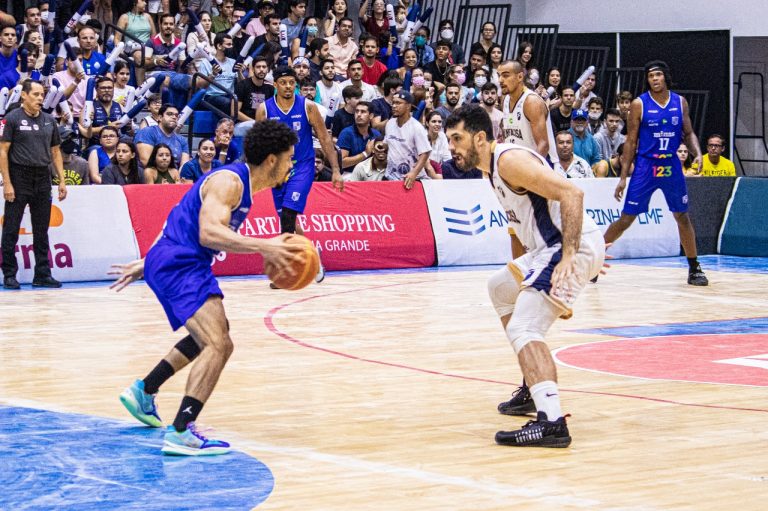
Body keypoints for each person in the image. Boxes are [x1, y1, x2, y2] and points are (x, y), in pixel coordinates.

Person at [112, 120, 305, 456]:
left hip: (176, 260)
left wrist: (148, 261)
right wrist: (265, 246)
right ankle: (181, 430)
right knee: (218, 344)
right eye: (289, 158)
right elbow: (209, 233)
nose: (292, 165)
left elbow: (180, 218)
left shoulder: (240, 184)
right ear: (272, 160)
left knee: (213, 334)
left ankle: (145, 390)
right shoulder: (230, 182)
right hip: (181, 264)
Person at [444, 104, 605, 447]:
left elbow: (572, 193)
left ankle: (552, 422)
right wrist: (541, 279)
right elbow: (528, 225)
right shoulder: (490, 170)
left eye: (457, 139)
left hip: (563, 247)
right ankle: (534, 384)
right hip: (550, 249)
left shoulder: (508, 161)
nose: (451, 147)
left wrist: (573, 256)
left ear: (480, 137)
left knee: (524, 327)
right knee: (500, 288)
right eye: (449, 140)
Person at [604, 61, 708, 286]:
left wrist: (698, 153)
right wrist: (623, 178)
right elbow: (630, 142)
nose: (654, 79)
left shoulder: (680, 102)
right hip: (646, 165)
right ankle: (593, 259)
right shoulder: (639, 104)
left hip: (671, 165)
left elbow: (688, 132)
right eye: (650, 76)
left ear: (665, 77)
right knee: (627, 218)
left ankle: (694, 267)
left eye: (658, 75)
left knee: (682, 216)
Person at [256, 67, 343, 284]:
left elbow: (324, 138)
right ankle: (313, 258)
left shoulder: (308, 106)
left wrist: (335, 170)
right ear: (275, 85)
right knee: (289, 221)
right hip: (277, 171)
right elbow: (259, 144)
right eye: (283, 82)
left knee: (288, 215)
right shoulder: (264, 110)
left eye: (291, 82)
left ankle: (284, 271)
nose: (288, 86)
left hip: (302, 167)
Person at [1, 79, 67, 290]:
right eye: (36, 94)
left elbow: (55, 152)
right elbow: (2, 151)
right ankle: (9, 274)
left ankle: (42, 274)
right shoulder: (12, 118)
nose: (40, 98)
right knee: (11, 228)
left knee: (41, 229)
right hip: (19, 176)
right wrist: (7, 183)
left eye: (42, 95)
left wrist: (62, 180)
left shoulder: (49, 120)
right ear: (24, 95)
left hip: (42, 177)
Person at [499, 60, 556, 163]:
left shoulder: (531, 101)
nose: (500, 80)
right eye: (499, 75)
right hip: (517, 164)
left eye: (505, 76)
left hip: (542, 166)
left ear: (520, 77)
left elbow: (543, 145)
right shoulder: (505, 100)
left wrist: (526, 169)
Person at [384, 90, 435, 187]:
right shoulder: (390, 123)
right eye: (393, 103)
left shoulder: (416, 127)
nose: (394, 106)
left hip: (411, 178)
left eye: (398, 103)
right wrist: (380, 146)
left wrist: (414, 173)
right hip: (391, 176)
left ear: (408, 106)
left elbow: (425, 152)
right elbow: (388, 144)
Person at [135, 103, 190, 168]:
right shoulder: (147, 132)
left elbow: (184, 166)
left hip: (175, 173)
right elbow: (145, 162)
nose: (174, 117)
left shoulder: (182, 140)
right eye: (169, 114)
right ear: (160, 117)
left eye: (176, 115)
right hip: (150, 172)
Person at [338, 101, 380, 173]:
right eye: (357, 111)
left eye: (363, 112)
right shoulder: (346, 133)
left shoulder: (376, 134)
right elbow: (342, 163)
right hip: (349, 174)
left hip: (370, 173)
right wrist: (365, 153)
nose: (359, 114)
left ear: (371, 116)